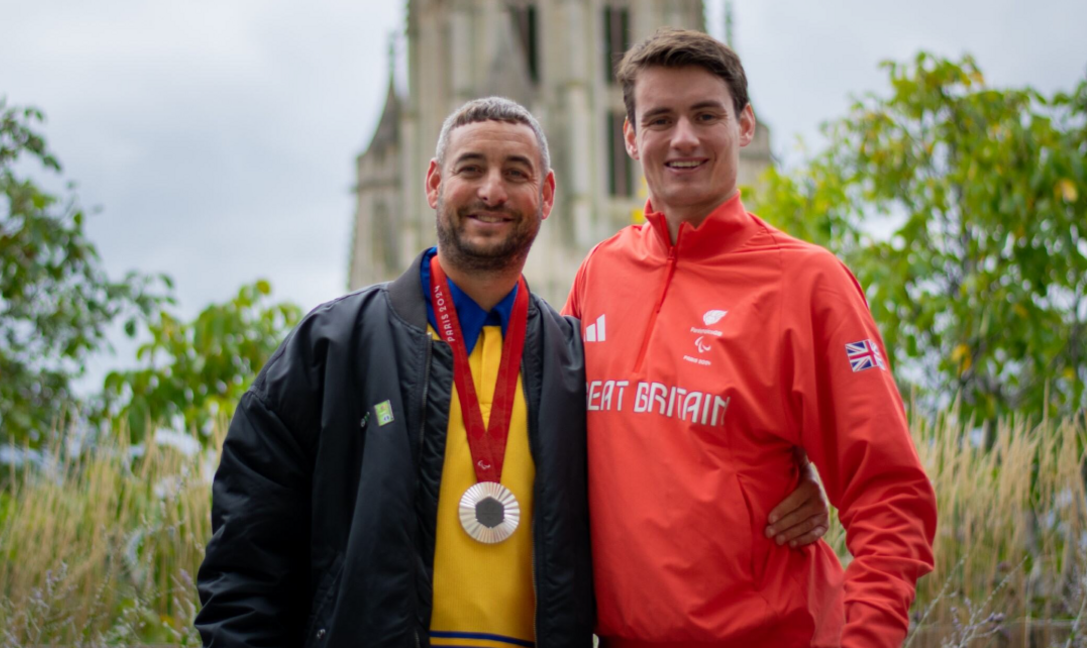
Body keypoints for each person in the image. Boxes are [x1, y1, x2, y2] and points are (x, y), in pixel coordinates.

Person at [196, 96, 826, 648]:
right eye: (471, 169)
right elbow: (248, 545)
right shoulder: (334, 345)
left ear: (547, 195)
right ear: (434, 183)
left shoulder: (578, 358)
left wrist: (789, 478)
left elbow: (672, 452)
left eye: (515, 173)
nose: (492, 191)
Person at [563, 29, 937, 648]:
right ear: (631, 137)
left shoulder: (809, 282)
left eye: (705, 115)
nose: (683, 138)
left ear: (744, 126)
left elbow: (888, 495)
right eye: (660, 119)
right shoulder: (598, 273)